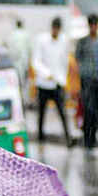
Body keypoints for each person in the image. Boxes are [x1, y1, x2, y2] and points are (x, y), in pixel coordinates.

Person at [33, 16, 73, 147]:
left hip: (57, 83)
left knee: (62, 112)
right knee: (41, 113)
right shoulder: (42, 40)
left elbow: (64, 62)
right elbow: (36, 61)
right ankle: (40, 138)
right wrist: (46, 74)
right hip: (43, 83)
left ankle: (68, 138)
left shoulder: (64, 41)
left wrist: (62, 79)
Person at [75, 14, 98, 150]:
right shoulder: (83, 42)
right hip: (87, 79)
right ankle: (86, 138)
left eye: (95, 24)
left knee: (97, 109)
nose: (93, 27)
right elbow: (77, 60)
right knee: (88, 108)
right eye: (91, 25)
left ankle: (94, 138)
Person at [4, 19, 31, 100]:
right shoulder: (26, 34)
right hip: (23, 63)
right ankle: (23, 101)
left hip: (14, 63)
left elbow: (7, 48)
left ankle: (17, 100)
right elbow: (30, 49)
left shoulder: (11, 35)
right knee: (23, 84)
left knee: (15, 83)